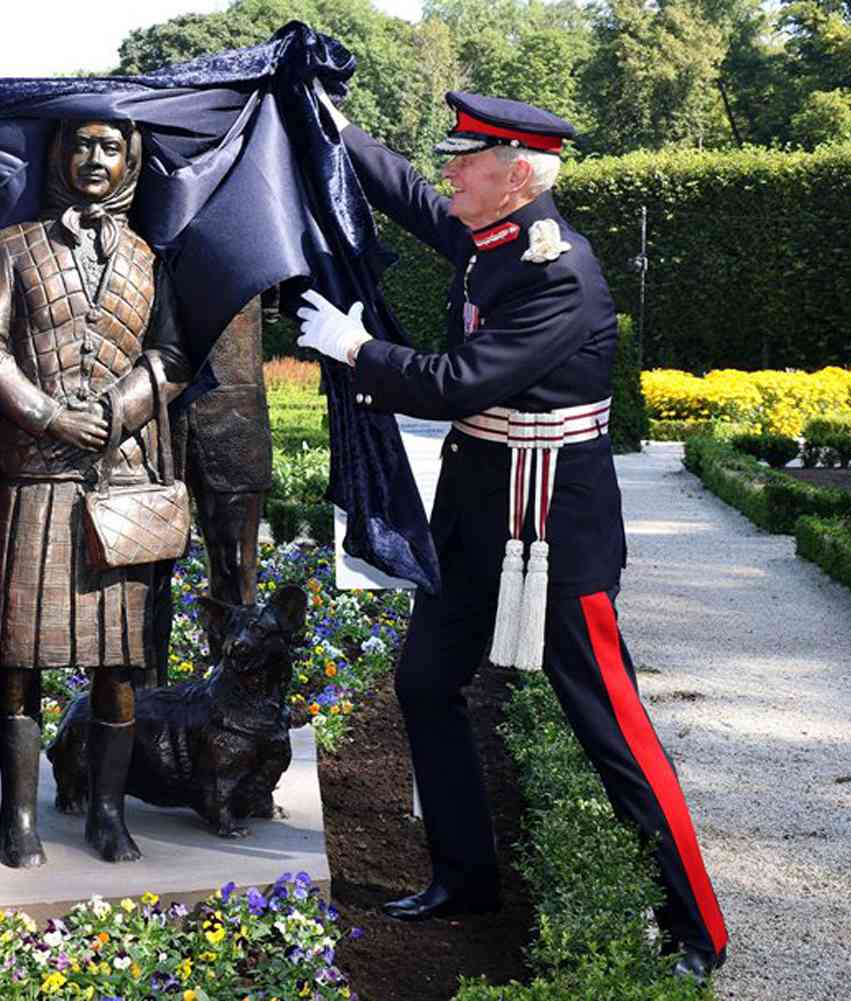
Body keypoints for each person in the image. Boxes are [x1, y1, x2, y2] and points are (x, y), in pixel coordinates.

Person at [297, 89, 729, 982]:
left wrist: (357, 349)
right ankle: (465, 878)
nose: (451, 167)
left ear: (517, 176)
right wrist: (338, 129)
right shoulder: (495, 236)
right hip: (476, 516)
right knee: (424, 682)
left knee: (611, 725)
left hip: (550, 531)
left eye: (468, 158)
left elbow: (460, 380)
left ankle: (697, 927)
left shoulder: (558, 269)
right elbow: (418, 201)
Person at [0, 119, 190, 867]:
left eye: (111, 147)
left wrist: (119, 411)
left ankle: (108, 813)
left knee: (118, 663)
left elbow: (172, 354)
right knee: (19, 655)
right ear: (59, 153)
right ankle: (19, 817)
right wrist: (51, 414)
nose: (95, 160)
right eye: (82, 144)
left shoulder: (150, 257)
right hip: (33, 478)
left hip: (117, 484)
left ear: (130, 160)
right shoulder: (11, 247)